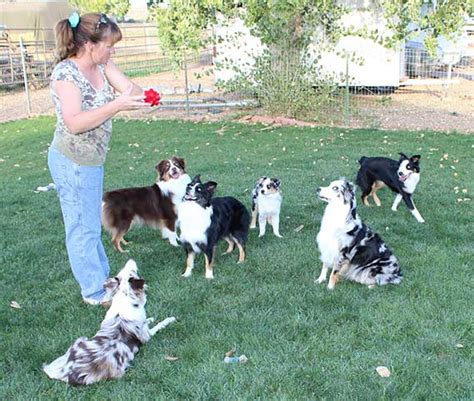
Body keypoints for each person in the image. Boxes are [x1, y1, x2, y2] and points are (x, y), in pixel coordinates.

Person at [48, 12, 151, 305]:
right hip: (72, 161)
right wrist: (117, 105)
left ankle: (104, 282)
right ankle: (94, 292)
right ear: (89, 44)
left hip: (91, 160)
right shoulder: (66, 75)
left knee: (89, 222)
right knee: (82, 227)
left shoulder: (102, 63)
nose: (113, 49)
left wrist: (141, 94)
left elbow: (135, 92)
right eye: (109, 44)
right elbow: (75, 122)